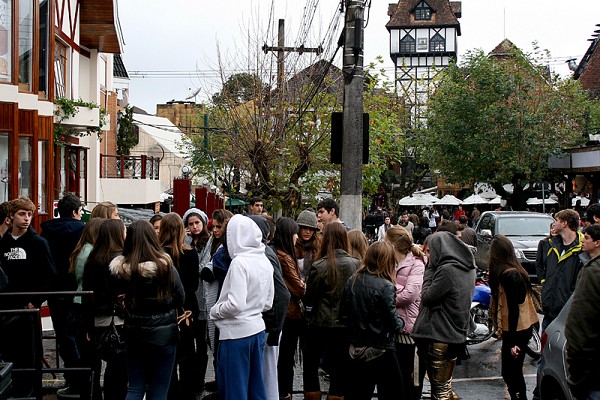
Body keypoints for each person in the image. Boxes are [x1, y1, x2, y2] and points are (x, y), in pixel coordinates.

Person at [110, 220, 185, 400]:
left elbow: (116, 300)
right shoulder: (166, 267)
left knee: (135, 387)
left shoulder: (121, 271)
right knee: (159, 390)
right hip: (164, 335)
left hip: (134, 333)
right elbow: (181, 298)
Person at [209, 214, 274, 400]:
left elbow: (235, 304)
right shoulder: (264, 259)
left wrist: (215, 311)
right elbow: (268, 302)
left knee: (235, 390)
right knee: (256, 388)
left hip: (236, 333)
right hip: (257, 328)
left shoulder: (239, 262)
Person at [0, 197, 56, 398]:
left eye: (29, 214)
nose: (26, 218)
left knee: (28, 357)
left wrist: (35, 301)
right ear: (11, 216)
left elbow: (50, 276)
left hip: (27, 311)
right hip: (5, 309)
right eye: (22, 214)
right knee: (7, 357)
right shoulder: (3, 244)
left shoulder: (38, 243)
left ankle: (29, 394)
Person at [411, 231, 476, 400]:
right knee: (445, 386)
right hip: (455, 334)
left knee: (440, 392)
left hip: (439, 334)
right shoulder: (468, 267)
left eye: (429, 251)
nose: (427, 256)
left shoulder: (447, 270)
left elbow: (427, 297)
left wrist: (429, 270)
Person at [340, 241, 406, 400]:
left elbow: (342, 315)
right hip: (381, 347)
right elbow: (394, 323)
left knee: (358, 394)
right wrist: (402, 322)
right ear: (388, 260)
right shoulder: (386, 286)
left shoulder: (353, 280)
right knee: (394, 393)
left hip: (355, 347)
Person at [303, 222, 361, 399]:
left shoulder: (319, 266)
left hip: (319, 323)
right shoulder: (356, 265)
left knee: (311, 365)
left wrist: (308, 313)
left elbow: (310, 298)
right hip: (345, 325)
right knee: (340, 368)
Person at [40, 194, 86, 397]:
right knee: (79, 336)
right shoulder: (82, 231)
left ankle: (72, 379)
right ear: (75, 212)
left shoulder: (47, 231)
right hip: (76, 290)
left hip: (55, 290)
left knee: (64, 337)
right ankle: (81, 380)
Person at [488, 235, 538, 400]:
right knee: (510, 371)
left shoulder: (511, 275)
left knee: (512, 372)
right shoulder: (507, 272)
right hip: (516, 330)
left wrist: (513, 343)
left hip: (517, 331)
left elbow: (514, 309)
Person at [83, 218, 128, 400]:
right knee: (118, 369)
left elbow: (87, 294)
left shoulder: (92, 259)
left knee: (99, 364)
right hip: (118, 320)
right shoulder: (121, 260)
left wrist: (87, 324)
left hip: (97, 320)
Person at [247, 215, 290, 400]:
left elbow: (282, 294)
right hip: (268, 324)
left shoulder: (264, 254)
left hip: (267, 324)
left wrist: (273, 329)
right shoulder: (265, 252)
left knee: (267, 374)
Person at [159, 213, 200, 400]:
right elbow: (193, 285)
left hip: (165, 309)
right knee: (188, 353)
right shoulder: (190, 253)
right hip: (187, 309)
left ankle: (171, 392)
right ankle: (188, 392)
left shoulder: (158, 255)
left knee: (167, 356)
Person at [386, 226, 426, 400]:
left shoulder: (416, 263)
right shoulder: (389, 262)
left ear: (393, 245)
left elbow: (410, 294)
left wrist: (387, 292)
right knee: (394, 382)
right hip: (393, 329)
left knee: (410, 381)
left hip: (410, 332)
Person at [271, 217, 304, 400]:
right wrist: (305, 285)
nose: (297, 237)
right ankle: (284, 393)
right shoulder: (283, 257)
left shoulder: (278, 253)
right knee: (285, 358)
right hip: (288, 314)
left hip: (283, 312)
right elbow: (298, 287)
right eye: (295, 234)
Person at [565, 224, 600, 400]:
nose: (582, 241)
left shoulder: (592, 271)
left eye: (586, 238)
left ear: (597, 242)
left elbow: (580, 321)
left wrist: (576, 376)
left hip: (590, 366)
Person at [181, 208, 211, 394]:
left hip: (204, 296)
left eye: (197, 223)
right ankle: (188, 380)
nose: (194, 227)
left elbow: (204, 266)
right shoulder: (185, 241)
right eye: (191, 224)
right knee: (187, 341)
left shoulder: (209, 241)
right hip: (189, 298)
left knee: (201, 342)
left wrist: (193, 267)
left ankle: (199, 380)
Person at [539, 209, 585, 330]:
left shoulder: (582, 249)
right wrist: (544, 284)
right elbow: (544, 268)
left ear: (565, 224)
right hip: (549, 308)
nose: (554, 223)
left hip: (566, 312)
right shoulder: (551, 244)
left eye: (557, 220)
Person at [295, 209, 321, 282]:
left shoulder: (318, 246)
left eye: (311, 229)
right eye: (304, 228)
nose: (308, 232)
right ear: (299, 228)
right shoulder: (292, 245)